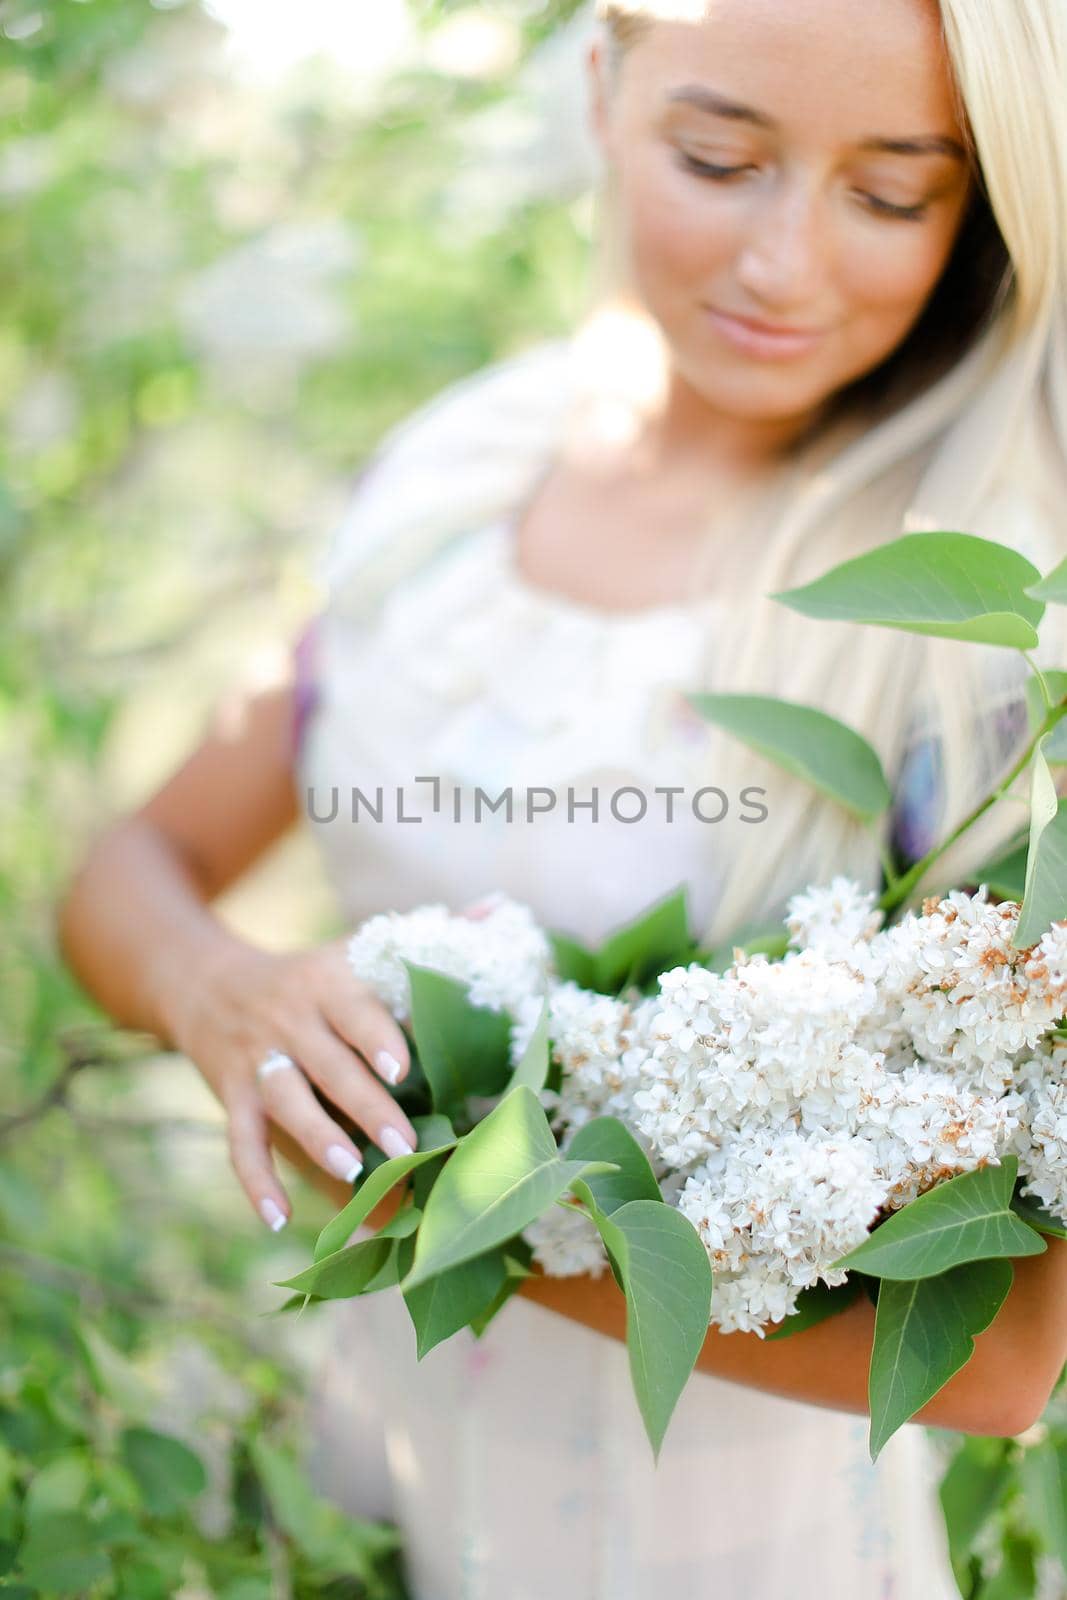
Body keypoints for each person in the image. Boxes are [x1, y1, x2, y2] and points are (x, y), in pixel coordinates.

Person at [57, 1, 1067, 1595]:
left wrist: (427, 1207)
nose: (785, 263)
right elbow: (143, 856)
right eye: (719, 158)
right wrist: (217, 989)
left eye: (890, 195)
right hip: (358, 1480)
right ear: (605, 83)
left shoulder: (965, 630)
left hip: (719, 1547)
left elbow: (1002, 1361)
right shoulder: (466, 470)